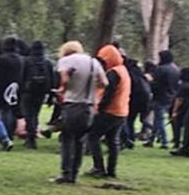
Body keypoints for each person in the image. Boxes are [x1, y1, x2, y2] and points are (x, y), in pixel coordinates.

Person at [51, 40, 107, 184]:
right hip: (88, 106)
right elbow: (104, 83)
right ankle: (74, 174)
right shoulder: (93, 62)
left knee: (67, 138)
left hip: (72, 104)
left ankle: (66, 173)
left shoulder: (65, 61)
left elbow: (64, 79)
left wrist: (63, 89)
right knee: (80, 141)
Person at [87, 44, 130, 179]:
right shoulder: (123, 70)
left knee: (93, 136)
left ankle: (98, 167)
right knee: (113, 141)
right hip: (122, 111)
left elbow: (108, 93)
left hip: (110, 111)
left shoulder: (113, 73)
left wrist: (100, 107)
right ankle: (111, 170)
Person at [20, 40, 55, 149]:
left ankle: (30, 138)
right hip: (41, 92)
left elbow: (21, 76)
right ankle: (32, 136)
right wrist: (50, 95)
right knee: (35, 114)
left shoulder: (26, 61)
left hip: (27, 91)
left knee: (27, 114)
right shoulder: (47, 62)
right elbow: (52, 79)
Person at [147, 50, 180, 149]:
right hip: (172, 96)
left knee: (159, 119)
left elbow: (156, 84)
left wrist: (149, 81)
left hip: (160, 96)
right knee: (159, 119)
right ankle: (152, 139)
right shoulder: (176, 69)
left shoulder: (161, 69)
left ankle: (164, 141)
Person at [123, 56, 150, 149]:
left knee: (129, 120)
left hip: (134, 98)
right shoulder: (141, 74)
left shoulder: (129, 74)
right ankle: (150, 128)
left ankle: (129, 139)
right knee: (141, 119)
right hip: (145, 99)